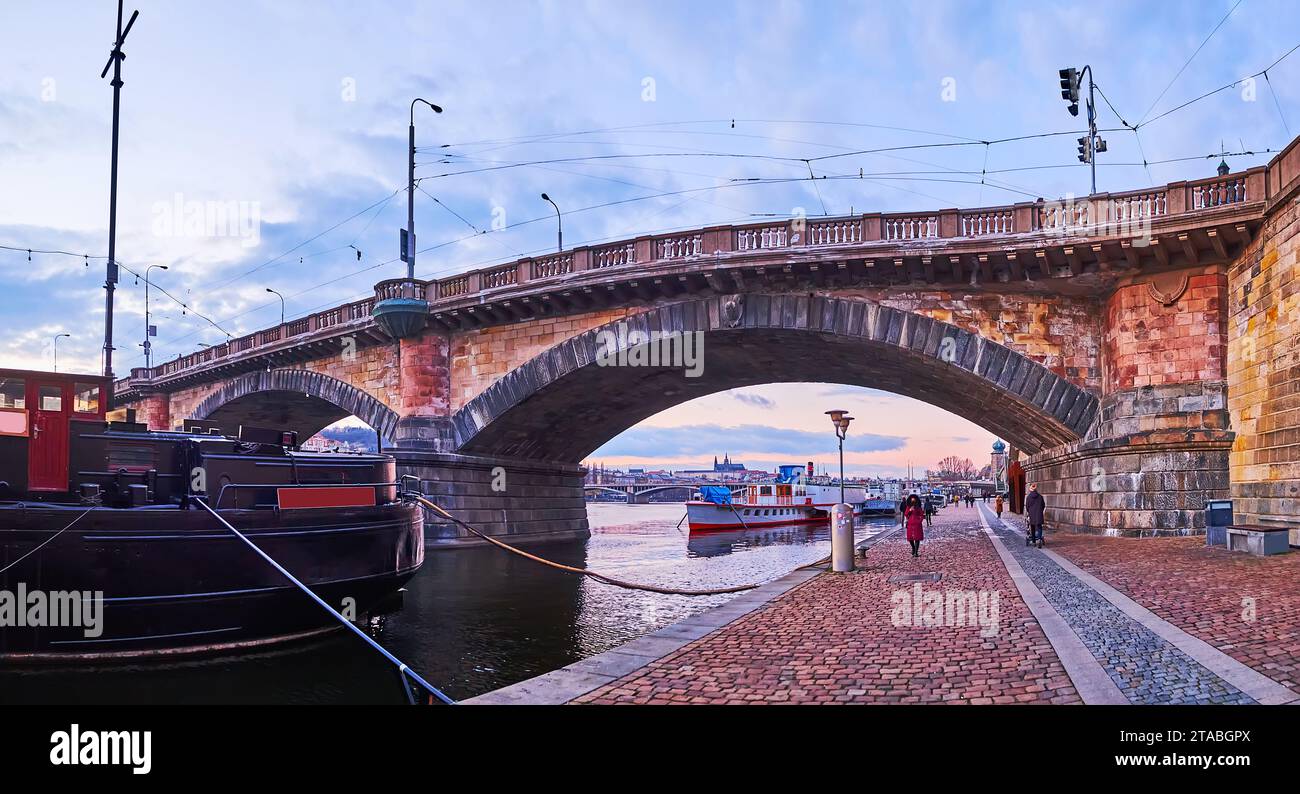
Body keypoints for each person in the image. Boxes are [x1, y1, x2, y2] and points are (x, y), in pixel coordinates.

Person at [1025, 483, 1045, 548]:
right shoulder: (1040, 497)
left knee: (1032, 528)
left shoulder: (1028, 497)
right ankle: (1039, 539)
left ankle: (1033, 542)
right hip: (1039, 514)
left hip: (1032, 514)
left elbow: (1027, 507)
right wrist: (1040, 511)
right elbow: (1043, 505)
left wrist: (1029, 512)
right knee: (1039, 527)